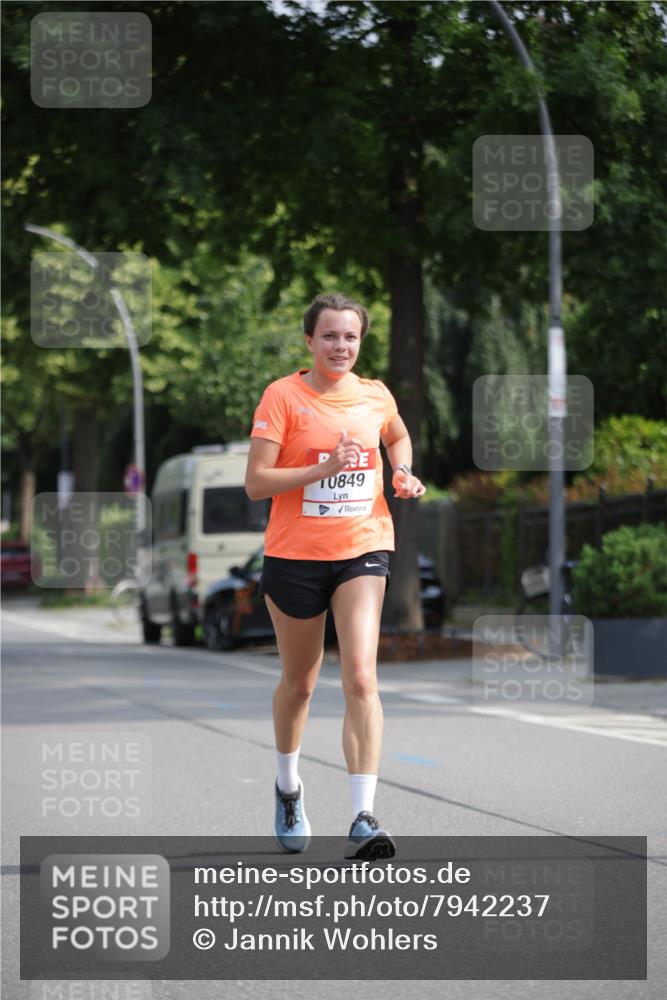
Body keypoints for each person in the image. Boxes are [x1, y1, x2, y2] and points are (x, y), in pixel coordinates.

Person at [245, 292, 426, 860]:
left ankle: (363, 816)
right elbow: (256, 482)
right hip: (294, 556)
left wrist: (401, 471)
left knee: (361, 677)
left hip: (362, 547)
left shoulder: (375, 395)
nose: (340, 346)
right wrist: (322, 468)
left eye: (349, 337)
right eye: (329, 336)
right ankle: (289, 786)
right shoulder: (283, 396)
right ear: (310, 341)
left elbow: (395, 433)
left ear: (360, 342)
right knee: (299, 684)